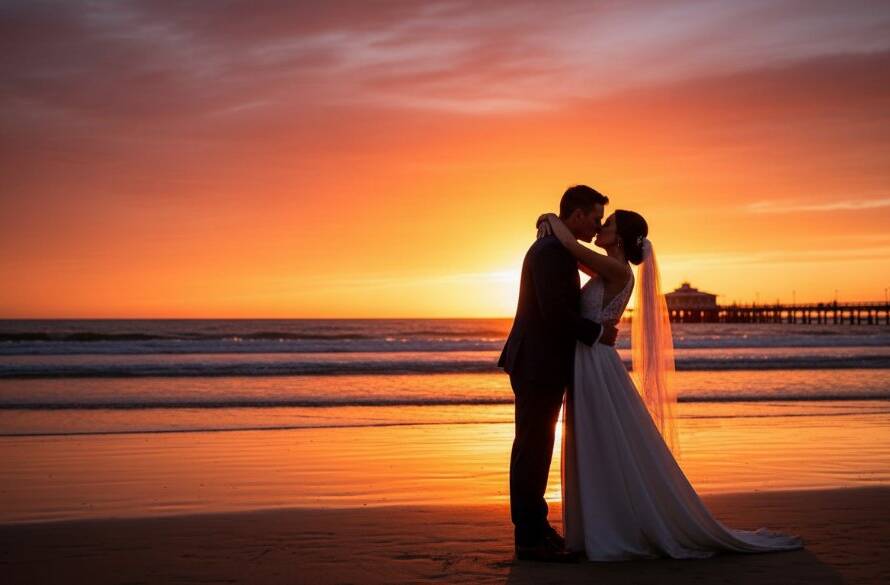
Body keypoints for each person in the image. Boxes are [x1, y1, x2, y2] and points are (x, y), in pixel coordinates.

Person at [535, 209, 804, 560]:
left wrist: (550, 217)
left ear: (620, 236)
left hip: (596, 363)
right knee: (602, 439)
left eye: (609, 223)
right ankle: (602, 522)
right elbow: (577, 256)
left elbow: (570, 246)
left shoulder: (616, 270)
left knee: (602, 438)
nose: (601, 227)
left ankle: (609, 526)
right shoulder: (609, 268)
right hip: (591, 360)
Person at [497, 184, 618, 562]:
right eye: (595, 218)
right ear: (578, 215)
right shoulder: (551, 252)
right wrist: (597, 333)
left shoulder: (557, 247)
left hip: (541, 361)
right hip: (537, 362)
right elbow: (555, 313)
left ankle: (538, 528)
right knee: (532, 449)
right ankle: (529, 539)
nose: (597, 226)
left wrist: (548, 218)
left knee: (537, 447)